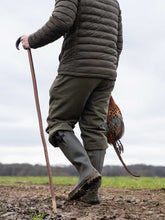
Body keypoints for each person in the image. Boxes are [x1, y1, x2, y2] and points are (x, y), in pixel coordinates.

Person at [21, 0, 123, 204]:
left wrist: (32, 40)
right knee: (95, 128)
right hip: (108, 71)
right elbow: (118, 43)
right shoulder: (114, 1)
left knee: (58, 122)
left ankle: (86, 171)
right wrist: (104, 71)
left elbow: (61, 20)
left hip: (78, 67)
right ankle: (90, 193)